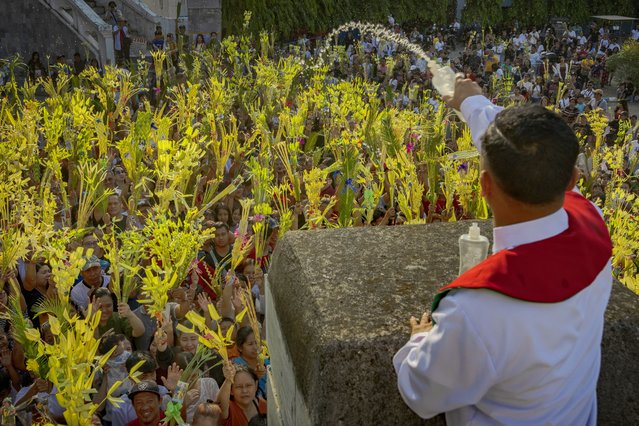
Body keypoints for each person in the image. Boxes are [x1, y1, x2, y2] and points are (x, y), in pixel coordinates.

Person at [394, 77, 613, 425]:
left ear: (483, 186)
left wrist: (418, 343)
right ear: (572, 180)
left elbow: (420, 391)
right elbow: (519, 148)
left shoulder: (475, 310)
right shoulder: (594, 223)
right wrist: (473, 104)